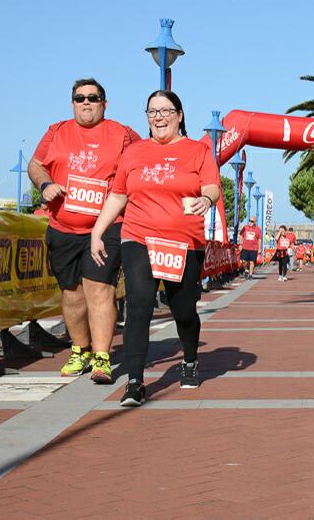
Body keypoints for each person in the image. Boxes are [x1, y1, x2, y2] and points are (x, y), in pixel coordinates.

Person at [91, 89, 221, 407]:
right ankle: (135, 382)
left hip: (184, 242)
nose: (158, 117)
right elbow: (119, 195)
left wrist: (205, 199)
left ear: (179, 115)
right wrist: (97, 231)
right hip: (139, 237)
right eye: (152, 112)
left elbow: (212, 187)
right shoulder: (134, 153)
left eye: (165, 111)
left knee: (184, 311)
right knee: (139, 305)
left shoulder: (197, 151)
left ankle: (189, 360)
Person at [27, 78, 141, 384]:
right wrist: (46, 184)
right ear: (73, 103)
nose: (86, 102)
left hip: (105, 227)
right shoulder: (57, 131)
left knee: (99, 289)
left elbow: (140, 168)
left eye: (93, 97)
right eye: (80, 98)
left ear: (105, 103)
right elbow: (36, 165)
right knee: (73, 295)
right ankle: (81, 349)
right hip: (62, 228)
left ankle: (102, 358)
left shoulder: (122, 134)